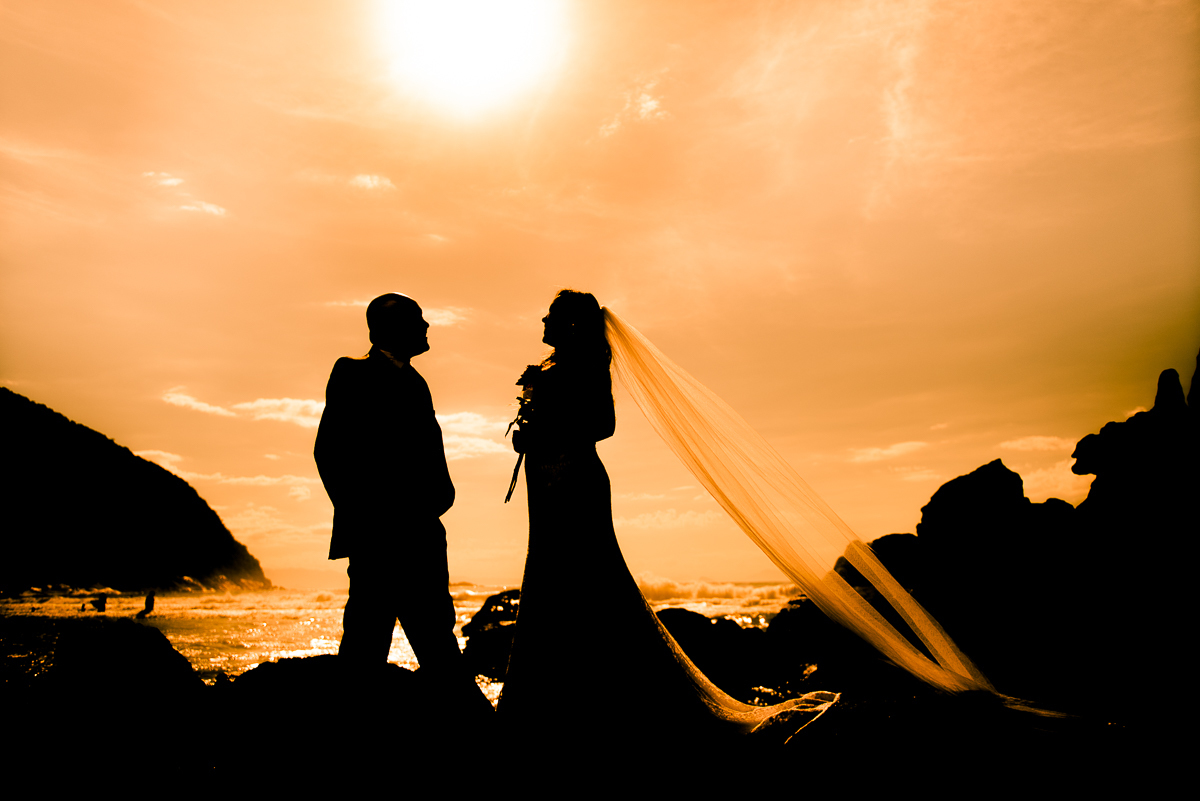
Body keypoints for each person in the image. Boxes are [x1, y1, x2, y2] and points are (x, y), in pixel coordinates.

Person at [498, 290, 828, 752]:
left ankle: (599, 700)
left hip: (573, 481)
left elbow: (603, 425)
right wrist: (531, 437)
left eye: (551, 315)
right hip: (548, 483)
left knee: (590, 577)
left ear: (571, 324)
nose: (543, 321)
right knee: (551, 579)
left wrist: (543, 433)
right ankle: (555, 698)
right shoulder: (552, 367)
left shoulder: (587, 365)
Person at [314, 292, 489, 714]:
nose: (426, 326)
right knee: (366, 643)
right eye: (418, 319)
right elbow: (329, 452)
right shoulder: (351, 372)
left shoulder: (416, 381)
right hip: (377, 540)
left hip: (423, 535)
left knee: (435, 639)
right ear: (389, 328)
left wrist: (438, 500)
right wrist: (367, 518)